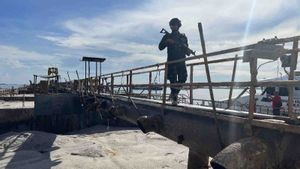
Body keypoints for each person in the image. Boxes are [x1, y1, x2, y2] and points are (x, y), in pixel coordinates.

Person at [159, 18, 191, 105]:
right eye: (172, 25)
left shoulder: (183, 37)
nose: (173, 26)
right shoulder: (167, 36)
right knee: (172, 80)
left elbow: (187, 50)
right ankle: (174, 99)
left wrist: (186, 49)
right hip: (171, 61)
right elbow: (160, 47)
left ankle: (174, 94)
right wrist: (167, 42)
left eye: (175, 24)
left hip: (181, 61)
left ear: (178, 25)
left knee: (183, 78)